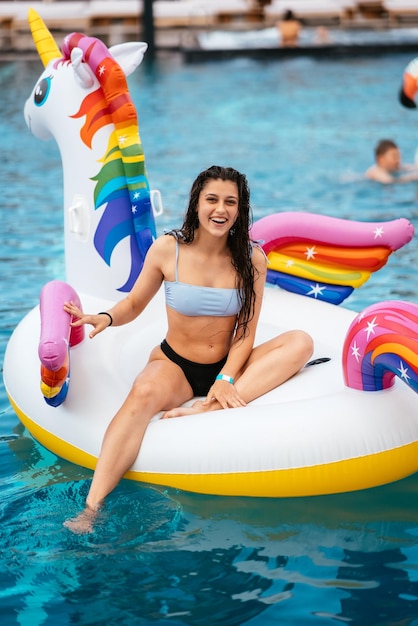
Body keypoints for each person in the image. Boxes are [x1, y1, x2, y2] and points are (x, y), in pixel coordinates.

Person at [63, 165, 314, 533]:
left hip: (228, 363)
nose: (220, 209)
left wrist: (226, 378)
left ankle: (208, 408)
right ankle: (92, 508)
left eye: (231, 202)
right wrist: (106, 317)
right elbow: (134, 303)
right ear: (196, 203)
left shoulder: (252, 259)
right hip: (176, 365)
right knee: (142, 393)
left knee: (301, 343)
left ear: (241, 209)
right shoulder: (169, 249)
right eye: (212, 199)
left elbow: (246, 329)